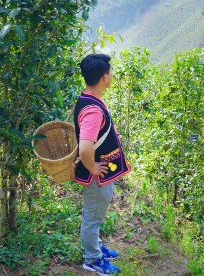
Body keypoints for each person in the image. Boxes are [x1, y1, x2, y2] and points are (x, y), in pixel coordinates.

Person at [74, 54, 131, 275]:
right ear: (105, 77)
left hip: (100, 175)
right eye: (111, 72)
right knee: (93, 216)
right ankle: (93, 259)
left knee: (95, 213)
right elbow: (85, 148)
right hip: (96, 177)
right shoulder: (93, 110)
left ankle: (95, 247)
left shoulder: (90, 97)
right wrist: (93, 168)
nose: (112, 75)